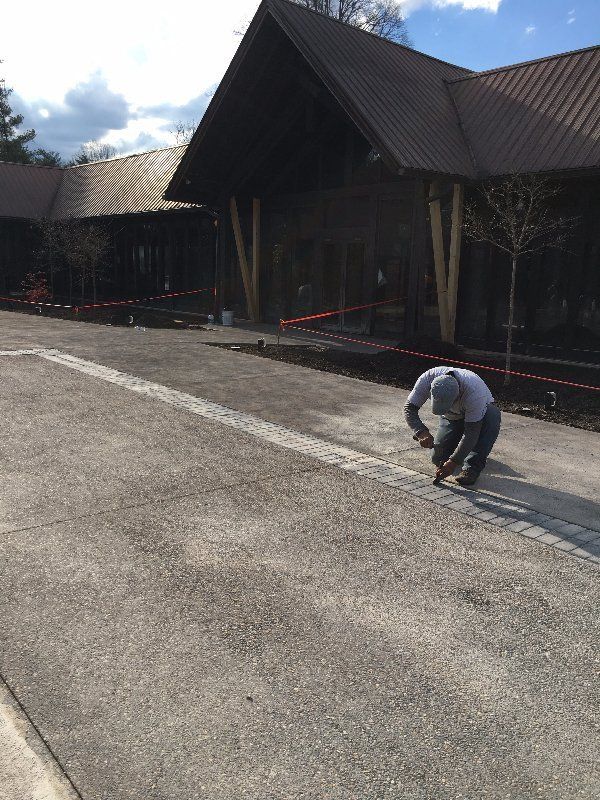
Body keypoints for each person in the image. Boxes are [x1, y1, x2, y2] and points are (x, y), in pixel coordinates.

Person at [403, 366, 501, 486]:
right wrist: (421, 432)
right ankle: (463, 449)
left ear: (458, 394)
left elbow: (471, 433)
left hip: (480, 416)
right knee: (437, 458)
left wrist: (453, 463)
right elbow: (409, 409)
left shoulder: (474, 393)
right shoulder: (427, 378)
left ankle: (472, 466)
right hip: (451, 417)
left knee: (492, 416)